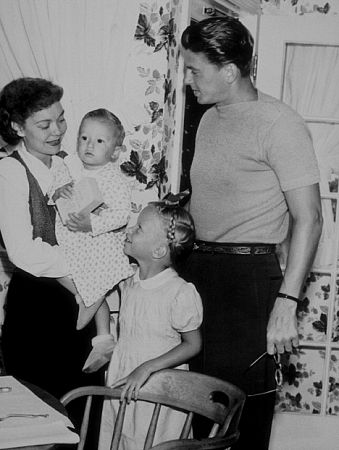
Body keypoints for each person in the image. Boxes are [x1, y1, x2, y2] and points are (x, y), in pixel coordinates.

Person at [178, 17, 323, 450]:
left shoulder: (280, 123)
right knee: (198, 413)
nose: (188, 80)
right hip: (196, 272)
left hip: (247, 283)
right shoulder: (208, 119)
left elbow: (310, 218)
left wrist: (287, 302)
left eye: (194, 70)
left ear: (228, 71)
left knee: (241, 420)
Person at [0, 77, 102, 400]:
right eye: (44, 124)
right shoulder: (10, 173)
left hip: (76, 306)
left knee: (84, 406)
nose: (57, 131)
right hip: (35, 309)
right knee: (42, 413)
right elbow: (22, 251)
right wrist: (81, 269)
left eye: (60, 119)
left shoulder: (71, 166)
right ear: (18, 127)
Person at [98, 203, 203, 450]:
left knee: (150, 440)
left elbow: (193, 344)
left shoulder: (178, 292)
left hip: (157, 385)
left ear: (158, 250)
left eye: (139, 228)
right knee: (119, 437)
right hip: (123, 375)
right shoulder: (128, 281)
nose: (130, 230)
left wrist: (147, 367)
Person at [50, 108, 134, 371]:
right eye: (84, 138)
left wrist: (93, 223)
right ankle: (104, 338)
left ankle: (100, 335)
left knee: (95, 282)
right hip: (67, 239)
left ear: (115, 151)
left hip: (96, 243)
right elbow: (55, 189)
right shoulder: (69, 165)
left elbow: (121, 215)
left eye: (100, 141)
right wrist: (57, 192)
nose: (89, 145)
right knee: (53, 267)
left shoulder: (113, 178)